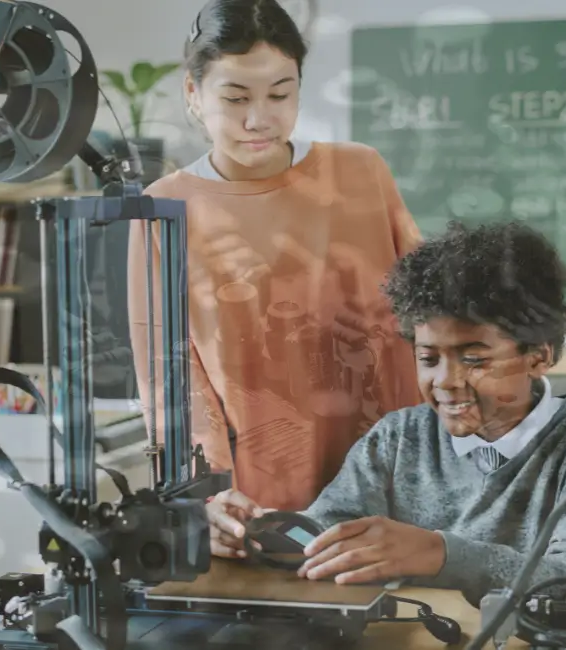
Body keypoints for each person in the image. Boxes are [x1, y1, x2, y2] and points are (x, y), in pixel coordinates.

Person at [205, 220, 566, 606]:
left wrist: (441, 553)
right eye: (429, 358)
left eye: (474, 360)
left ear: (539, 356)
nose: (445, 381)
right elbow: (322, 541)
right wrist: (252, 535)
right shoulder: (398, 437)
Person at [127, 0, 423, 512]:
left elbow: (432, 313)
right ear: (194, 95)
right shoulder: (164, 209)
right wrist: (208, 496)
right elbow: (168, 372)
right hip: (259, 502)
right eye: (236, 97)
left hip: (397, 477)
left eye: (281, 94)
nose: (259, 119)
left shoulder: (361, 173)